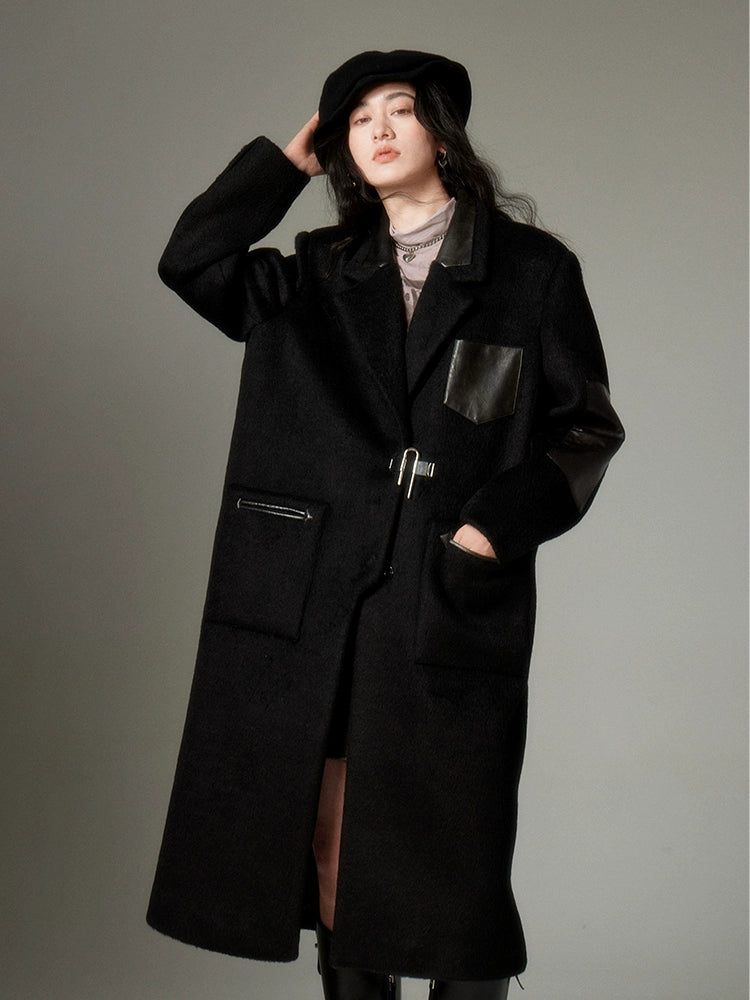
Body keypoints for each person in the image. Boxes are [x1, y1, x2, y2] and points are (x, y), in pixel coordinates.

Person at [147, 49, 624, 999]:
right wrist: (278, 170)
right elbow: (190, 261)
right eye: (357, 118)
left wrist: (491, 528)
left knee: (455, 873)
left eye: (400, 110)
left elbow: (585, 429)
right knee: (333, 849)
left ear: (441, 131)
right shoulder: (315, 271)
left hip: (445, 590)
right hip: (316, 595)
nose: (378, 129)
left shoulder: (531, 271)